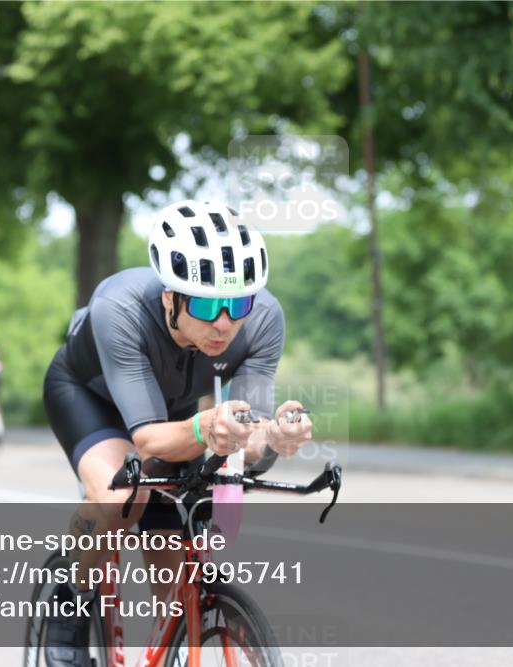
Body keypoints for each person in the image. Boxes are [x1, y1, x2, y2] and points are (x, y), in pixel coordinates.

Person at [41, 199, 312, 666]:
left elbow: (248, 433)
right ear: (170, 298)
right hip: (90, 398)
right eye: (206, 305)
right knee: (122, 498)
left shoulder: (264, 318)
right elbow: (148, 442)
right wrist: (206, 426)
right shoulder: (119, 307)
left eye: (237, 304)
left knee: (177, 544)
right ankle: (69, 602)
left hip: (177, 415)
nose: (224, 323)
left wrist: (272, 438)